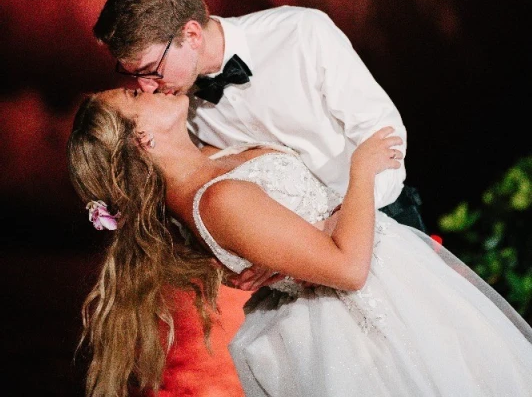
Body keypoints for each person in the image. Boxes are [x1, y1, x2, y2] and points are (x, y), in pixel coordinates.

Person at [68, 88, 532, 397]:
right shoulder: (218, 199)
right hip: (368, 313)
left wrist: (287, 256)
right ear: (142, 138)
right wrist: (361, 171)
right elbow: (349, 270)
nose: (148, 84)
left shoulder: (210, 160)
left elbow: (289, 231)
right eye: (134, 94)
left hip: (396, 281)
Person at [93, 0, 426, 264]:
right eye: (133, 75)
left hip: (385, 218)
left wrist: (336, 226)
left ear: (192, 35)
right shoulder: (176, 112)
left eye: (151, 70)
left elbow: (384, 137)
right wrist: (274, 253)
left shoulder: (300, 33)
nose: (146, 87)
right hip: (301, 255)